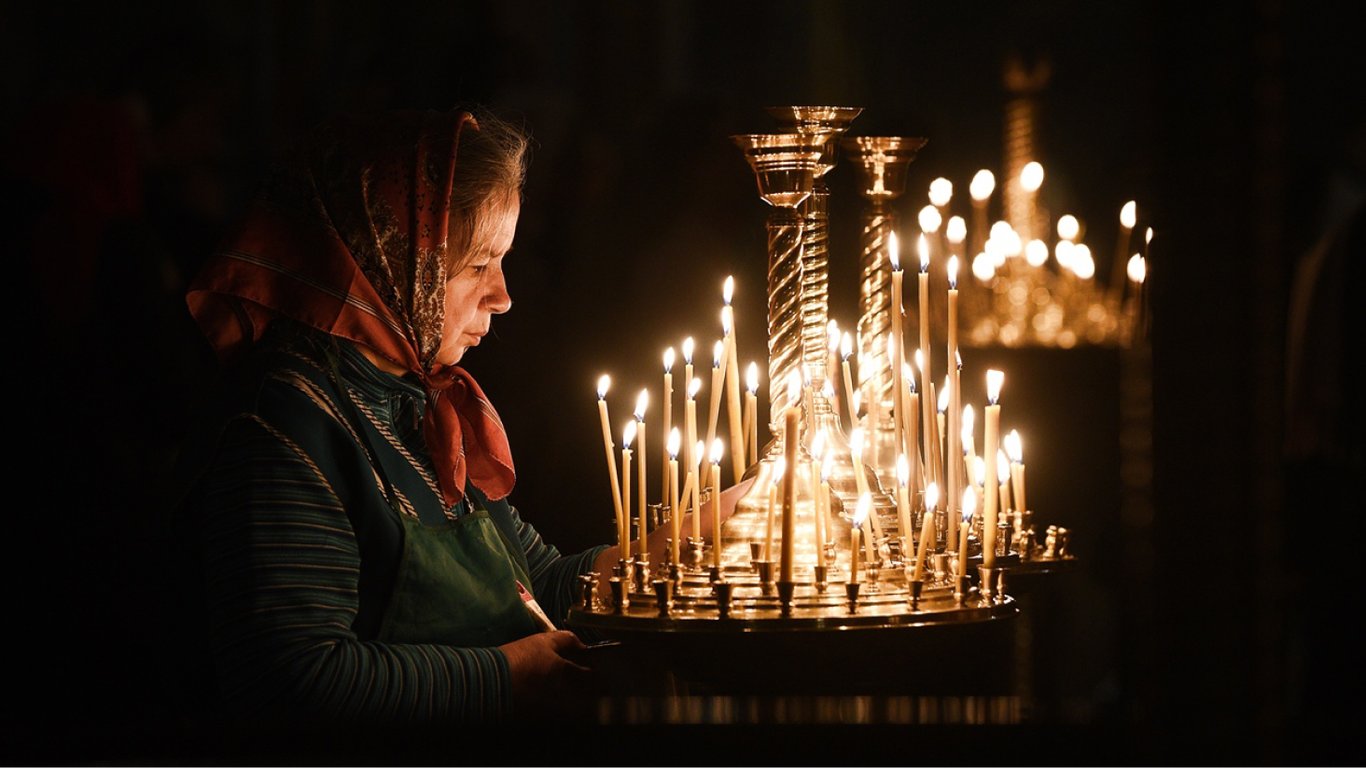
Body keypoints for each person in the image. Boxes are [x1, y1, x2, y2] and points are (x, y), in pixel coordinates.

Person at [170, 106, 750, 732]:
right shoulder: (286, 432)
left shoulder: (420, 404)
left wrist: (704, 529)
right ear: (386, 258)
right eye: (477, 265)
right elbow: (292, 681)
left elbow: (541, 591)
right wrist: (508, 677)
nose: (502, 296)